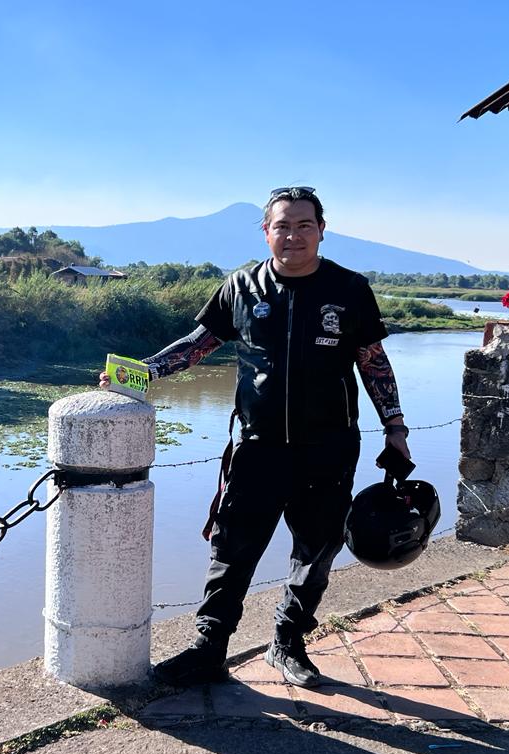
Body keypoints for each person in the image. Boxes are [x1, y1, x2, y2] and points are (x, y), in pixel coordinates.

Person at [99, 187, 410, 687]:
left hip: (328, 449)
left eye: (304, 225)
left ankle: (287, 644)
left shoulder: (349, 289)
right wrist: (135, 375)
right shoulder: (241, 287)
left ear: (322, 230)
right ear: (266, 232)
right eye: (282, 226)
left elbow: (373, 361)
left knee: (316, 551)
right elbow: (197, 346)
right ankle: (208, 650)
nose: (293, 236)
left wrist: (395, 427)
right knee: (232, 551)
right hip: (256, 449)